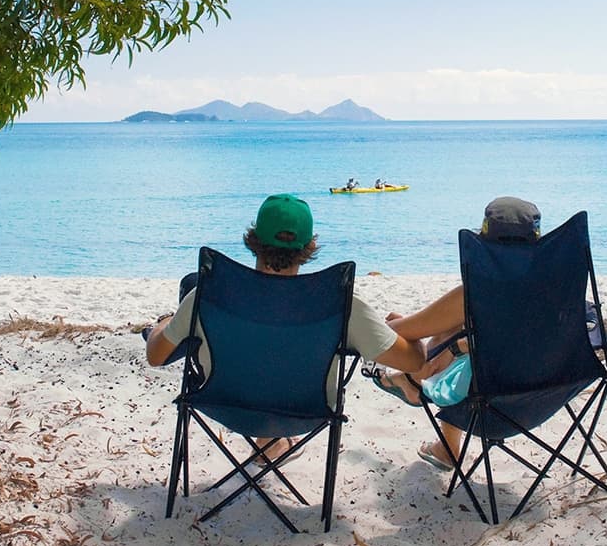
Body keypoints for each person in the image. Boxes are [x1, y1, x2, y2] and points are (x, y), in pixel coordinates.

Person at [146, 193, 426, 462]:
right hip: (305, 411)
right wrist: (410, 334)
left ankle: (270, 442)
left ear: (253, 240)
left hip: (224, 403)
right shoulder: (341, 305)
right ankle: (273, 441)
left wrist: (164, 323)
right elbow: (414, 361)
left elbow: (155, 356)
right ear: (308, 247)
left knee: (191, 284)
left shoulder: (206, 296)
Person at [367, 196, 542, 471]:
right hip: (547, 393)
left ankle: (411, 382)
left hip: (490, 403)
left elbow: (394, 333)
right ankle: (413, 379)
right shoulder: (556, 290)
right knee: (462, 335)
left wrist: (400, 327)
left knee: (454, 337)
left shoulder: (477, 296)